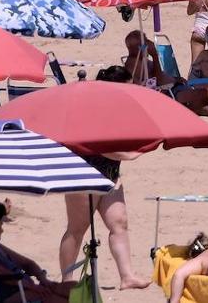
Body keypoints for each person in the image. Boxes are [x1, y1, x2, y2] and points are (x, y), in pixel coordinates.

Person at [58, 73, 151, 290]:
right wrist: (127, 155)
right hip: (82, 174)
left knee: (119, 223)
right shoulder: (90, 110)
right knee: (78, 227)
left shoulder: (121, 112)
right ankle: (66, 280)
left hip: (110, 175)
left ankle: (127, 276)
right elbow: (92, 144)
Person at [0, 202, 74, 303]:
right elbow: (4, 274)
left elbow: (28, 263)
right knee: (57, 299)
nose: (2, 230)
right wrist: (32, 287)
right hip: (9, 293)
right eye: (1, 224)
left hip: (25, 288)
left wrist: (43, 278)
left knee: (72, 288)